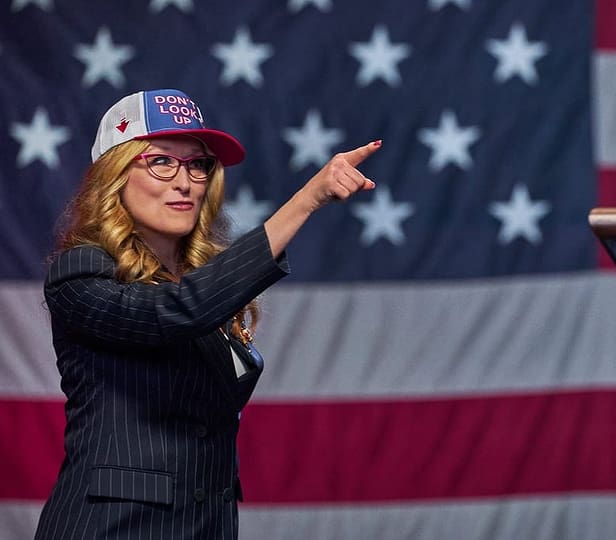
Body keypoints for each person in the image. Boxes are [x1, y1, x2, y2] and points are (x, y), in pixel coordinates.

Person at [34, 89, 379, 540]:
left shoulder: (205, 284)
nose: (184, 181)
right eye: (161, 161)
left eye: (198, 164)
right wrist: (306, 200)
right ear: (114, 177)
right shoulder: (79, 272)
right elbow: (170, 315)